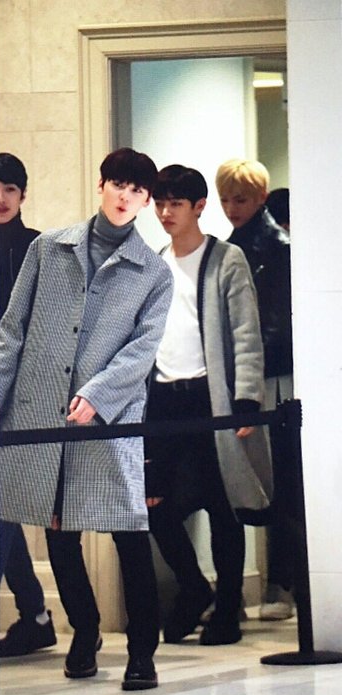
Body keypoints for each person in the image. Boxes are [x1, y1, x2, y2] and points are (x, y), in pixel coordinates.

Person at [0, 148, 174, 690]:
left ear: (145, 201)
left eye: (137, 191)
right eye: (118, 184)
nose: (125, 197)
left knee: (128, 533)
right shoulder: (48, 249)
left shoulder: (153, 272)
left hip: (109, 419)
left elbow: (142, 349)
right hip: (43, 411)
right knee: (58, 531)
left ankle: (142, 652)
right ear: (101, 186)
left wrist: (99, 394)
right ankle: (85, 630)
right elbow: (12, 331)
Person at [145, 164, 272, 646]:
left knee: (223, 506)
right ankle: (194, 588)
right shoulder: (156, 263)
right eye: (160, 203)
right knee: (156, 506)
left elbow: (245, 333)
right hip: (164, 400)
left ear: (199, 207)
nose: (165, 212)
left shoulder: (226, 259)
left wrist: (246, 400)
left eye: (175, 203)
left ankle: (228, 609)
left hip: (211, 398)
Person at [215, 159, 294, 621]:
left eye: (240, 199)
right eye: (226, 199)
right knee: (255, 480)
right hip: (253, 376)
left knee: (280, 478)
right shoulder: (235, 248)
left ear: (261, 198)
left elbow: (275, 323)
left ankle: (282, 582)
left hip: (272, 377)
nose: (231, 208)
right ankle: (275, 584)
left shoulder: (276, 249)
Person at [0, 152, 56, 657]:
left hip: (21, 391)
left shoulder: (38, 247)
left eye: (9, 189)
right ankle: (34, 613)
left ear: (23, 195)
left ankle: (26, 613)